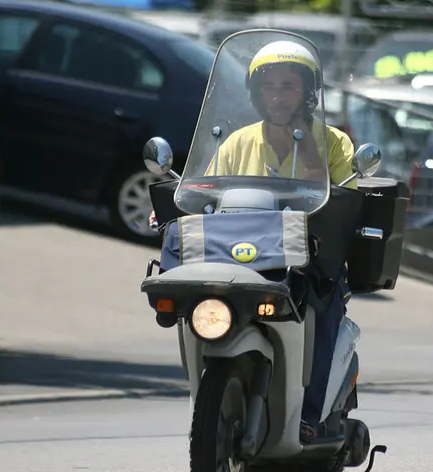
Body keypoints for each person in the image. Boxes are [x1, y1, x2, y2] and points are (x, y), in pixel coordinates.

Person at [148, 39, 357, 443]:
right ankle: (208, 400)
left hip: (306, 261)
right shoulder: (237, 141)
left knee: (326, 301)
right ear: (255, 93)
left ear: (309, 94)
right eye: (269, 86)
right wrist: (175, 206)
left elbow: (344, 200)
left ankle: (310, 413)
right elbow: (202, 192)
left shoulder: (334, 142)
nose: (277, 97)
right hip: (241, 257)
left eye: (289, 86)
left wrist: (306, 142)